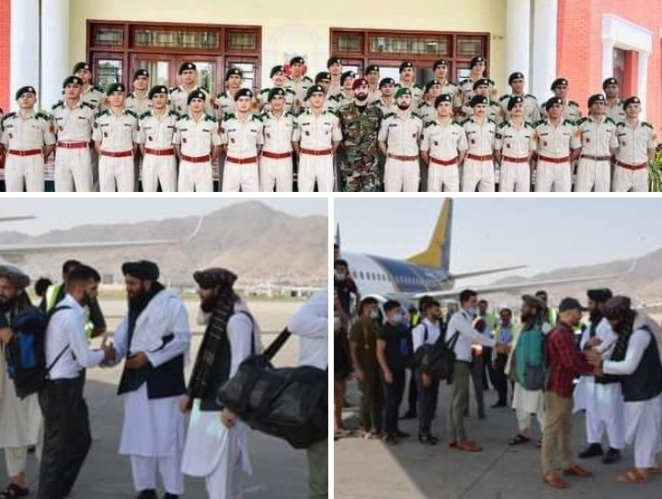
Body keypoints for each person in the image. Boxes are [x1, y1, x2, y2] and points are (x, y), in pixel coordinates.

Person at [112, 261, 191, 499]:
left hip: (164, 385)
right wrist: (110, 354)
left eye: (132, 283)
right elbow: (122, 340)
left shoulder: (172, 304)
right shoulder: (134, 307)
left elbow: (182, 340)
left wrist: (149, 357)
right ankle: (145, 489)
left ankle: (172, 492)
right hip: (136, 383)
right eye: (127, 283)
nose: (128, 288)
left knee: (168, 441)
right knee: (138, 439)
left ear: (147, 283)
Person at [181, 268, 262, 499]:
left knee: (222, 476)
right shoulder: (219, 317)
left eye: (204, 288)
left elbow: (240, 366)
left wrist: (231, 406)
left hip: (224, 410)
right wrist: (191, 394)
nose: (199, 292)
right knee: (214, 474)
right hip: (209, 406)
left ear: (218, 290)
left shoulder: (237, 320)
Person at [37, 265, 115, 499]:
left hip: (67, 388)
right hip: (60, 390)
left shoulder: (68, 311)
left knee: (80, 442)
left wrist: (97, 355)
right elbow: (85, 359)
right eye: (94, 288)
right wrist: (104, 354)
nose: (96, 293)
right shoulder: (72, 316)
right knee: (55, 452)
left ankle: (57, 492)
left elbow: (78, 356)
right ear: (81, 288)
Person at [588, 296, 662, 484]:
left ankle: (641, 470)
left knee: (644, 429)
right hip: (643, 388)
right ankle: (651, 462)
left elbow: (629, 366)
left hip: (644, 389)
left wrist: (603, 365)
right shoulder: (628, 328)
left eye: (613, 319)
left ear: (623, 316)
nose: (610, 323)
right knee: (648, 427)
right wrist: (597, 351)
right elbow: (611, 340)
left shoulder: (639, 335)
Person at [541, 297, 596, 490]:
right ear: (570, 312)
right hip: (557, 389)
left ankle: (567, 464)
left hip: (563, 388)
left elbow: (572, 356)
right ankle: (548, 471)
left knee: (565, 428)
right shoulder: (560, 334)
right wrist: (595, 368)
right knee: (551, 430)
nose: (581, 316)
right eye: (579, 312)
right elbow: (570, 362)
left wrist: (587, 352)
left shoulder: (565, 332)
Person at [0, 266, 42, 499]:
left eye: (5, 288)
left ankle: (52, 482)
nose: (0, 292)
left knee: (36, 431)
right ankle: (18, 483)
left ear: (18, 290)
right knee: (10, 434)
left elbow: (12, 341)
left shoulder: (29, 316)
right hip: (4, 385)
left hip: (24, 384)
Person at [575, 288, 624, 464]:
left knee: (611, 413)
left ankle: (615, 447)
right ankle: (595, 444)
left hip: (606, 374)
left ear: (601, 304)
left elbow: (612, 348)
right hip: (591, 375)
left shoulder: (611, 323)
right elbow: (584, 344)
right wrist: (588, 344)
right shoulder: (593, 323)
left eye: (591, 303)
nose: (588, 306)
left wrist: (594, 348)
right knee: (592, 411)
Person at [287, 289, 328, 499]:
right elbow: (295, 323)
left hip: (325, 387)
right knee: (321, 470)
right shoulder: (325, 296)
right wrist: (332, 325)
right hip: (316, 391)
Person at [446, 290, 495, 452]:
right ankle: (461, 439)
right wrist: (497, 344)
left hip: (463, 363)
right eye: (473, 301)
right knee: (458, 403)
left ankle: (453, 437)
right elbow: (476, 336)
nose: (476, 304)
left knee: (455, 401)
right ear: (464, 302)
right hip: (459, 364)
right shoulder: (459, 318)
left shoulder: (467, 318)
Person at [506, 295, 547, 447]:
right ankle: (523, 433)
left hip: (535, 375)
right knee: (520, 406)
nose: (522, 309)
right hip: (519, 374)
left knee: (540, 408)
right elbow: (515, 346)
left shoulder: (544, 327)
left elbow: (549, 352)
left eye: (525, 307)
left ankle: (546, 436)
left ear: (534, 310)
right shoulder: (520, 326)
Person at [0, 86, 55, 192]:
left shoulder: (43, 120)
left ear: (35, 100)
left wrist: (41, 156)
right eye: (22, 96)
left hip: (34, 159)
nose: (25, 99)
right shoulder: (8, 120)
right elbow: (4, 144)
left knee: (35, 192)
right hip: (13, 160)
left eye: (29, 96)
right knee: (12, 192)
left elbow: (50, 144)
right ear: (17, 100)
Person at [336, 78, 383, 192]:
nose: (361, 90)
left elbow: (381, 136)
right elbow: (337, 136)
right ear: (353, 90)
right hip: (350, 163)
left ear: (368, 90)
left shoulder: (377, 112)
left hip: (370, 164)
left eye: (364, 88)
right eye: (358, 88)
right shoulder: (343, 111)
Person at [292, 84, 342, 192]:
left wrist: (330, 153)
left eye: (320, 95)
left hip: (325, 158)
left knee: (326, 190)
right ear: (309, 99)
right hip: (307, 158)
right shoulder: (300, 118)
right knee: (305, 190)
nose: (317, 98)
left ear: (324, 98)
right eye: (314, 95)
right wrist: (301, 155)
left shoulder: (332, 118)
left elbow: (337, 140)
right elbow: (295, 141)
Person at [51, 76, 96, 192]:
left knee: (84, 188)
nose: (71, 89)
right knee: (62, 189)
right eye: (69, 86)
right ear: (64, 89)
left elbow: (96, 133)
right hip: (61, 151)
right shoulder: (56, 110)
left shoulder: (89, 110)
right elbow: (53, 132)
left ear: (81, 89)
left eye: (76, 87)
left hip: (81, 151)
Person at [93, 83, 139, 192]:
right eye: (113, 94)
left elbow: (135, 143)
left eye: (120, 94)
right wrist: (106, 155)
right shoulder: (100, 118)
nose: (116, 97)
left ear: (124, 96)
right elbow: (97, 143)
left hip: (125, 160)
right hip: (106, 160)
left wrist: (127, 156)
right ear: (108, 97)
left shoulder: (132, 118)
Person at [44, 259, 106, 340]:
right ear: (64, 276)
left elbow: (100, 327)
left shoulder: (88, 296)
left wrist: (82, 334)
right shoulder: (51, 292)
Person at [376, 300, 411, 444]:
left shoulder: (401, 328)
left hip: (400, 369)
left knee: (397, 401)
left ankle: (395, 429)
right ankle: (387, 433)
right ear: (388, 313)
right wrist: (386, 371)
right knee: (390, 403)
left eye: (399, 311)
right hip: (389, 371)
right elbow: (379, 352)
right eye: (396, 311)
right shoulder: (384, 330)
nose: (399, 314)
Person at [173, 90, 221, 192]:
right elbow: (176, 143)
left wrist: (210, 160)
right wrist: (181, 158)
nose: (196, 104)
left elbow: (217, 145)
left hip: (204, 164)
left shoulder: (211, 123)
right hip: (186, 164)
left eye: (199, 101)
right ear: (189, 104)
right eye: (193, 101)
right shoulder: (181, 122)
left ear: (204, 104)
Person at [349, 297, 383, 439]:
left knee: (378, 398)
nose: (375, 310)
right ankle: (365, 426)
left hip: (376, 367)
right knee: (367, 398)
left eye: (376, 307)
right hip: (365, 367)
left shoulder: (375, 324)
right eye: (372, 307)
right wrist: (357, 368)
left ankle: (377, 427)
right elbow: (352, 349)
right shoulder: (358, 325)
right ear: (364, 308)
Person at [420, 93, 467, 192]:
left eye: (446, 105)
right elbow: (423, 152)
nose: (444, 108)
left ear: (451, 108)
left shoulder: (458, 128)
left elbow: (463, 150)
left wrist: (457, 163)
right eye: (440, 105)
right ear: (436, 108)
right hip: (435, 166)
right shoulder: (429, 128)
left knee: (452, 196)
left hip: (452, 166)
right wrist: (432, 163)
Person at [378, 87, 423, 192]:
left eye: (407, 97)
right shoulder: (388, 119)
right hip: (393, 162)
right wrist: (388, 154)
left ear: (411, 100)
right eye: (401, 97)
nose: (404, 100)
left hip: (412, 163)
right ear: (396, 100)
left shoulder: (417, 121)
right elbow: (381, 140)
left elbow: (420, 142)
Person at [533, 97, 581, 193]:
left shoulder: (573, 127)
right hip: (544, 165)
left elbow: (577, 148)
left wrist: (567, 160)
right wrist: (540, 160)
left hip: (563, 165)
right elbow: (532, 148)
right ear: (547, 110)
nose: (555, 109)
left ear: (562, 109)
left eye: (557, 106)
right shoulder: (537, 127)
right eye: (552, 107)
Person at [411, 299, 442, 444]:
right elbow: (419, 353)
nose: (439, 312)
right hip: (424, 370)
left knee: (432, 402)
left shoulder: (437, 327)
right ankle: (423, 433)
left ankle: (428, 430)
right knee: (424, 402)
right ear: (428, 310)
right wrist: (425, 373)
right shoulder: (421, 329)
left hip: (435, 369)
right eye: (436, 310)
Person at [220, 88, 263, 192]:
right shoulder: (227, 122)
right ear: (236, 103)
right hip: (232, 165)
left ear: (251, 103)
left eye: (247, 100)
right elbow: (224, 144)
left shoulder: (258, 123)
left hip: (250, 166)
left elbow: (259, 145)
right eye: (241, 100)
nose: (244, 103)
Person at [137, 85, 179, 192]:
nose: (159, 100)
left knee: (170, 190)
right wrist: (148, 156)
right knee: (148, 190)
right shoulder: (144, 118)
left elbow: (178, 142)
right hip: (150, 158)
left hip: (168, 158)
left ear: (167, 99)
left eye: (162, 96)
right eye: (155, 97)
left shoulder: (175, 118)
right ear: (151, 100)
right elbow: (141, 142)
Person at [612, 96, 657, 192]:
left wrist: (646, 165)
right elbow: (613, 149)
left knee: (640, 200)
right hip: (622, 170)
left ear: (640, 109)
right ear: (624, 110)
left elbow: (651, 150)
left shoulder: (648, 129)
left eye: (636, 106)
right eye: (629, 107)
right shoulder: (617, 128)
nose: (633, 109)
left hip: (641, 172)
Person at [574, 94, 618, 192]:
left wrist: (604, 156)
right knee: (581, 192)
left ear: (605, 107)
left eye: (602, 103)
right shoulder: (581, 124)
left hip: (603, 163)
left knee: (602, 193)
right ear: (590, 107)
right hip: (586, 161)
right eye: (596, 103)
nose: (599, 105)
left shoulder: (611, 124)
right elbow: (576, 144)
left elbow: (613, 146)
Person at [494, 96, 536, 192]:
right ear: (509, 110)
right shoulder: (502, 127)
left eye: (520, 106)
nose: (518, 109)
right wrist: (504, 163)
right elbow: (497, 150)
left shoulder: (531, 128)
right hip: (508, 165)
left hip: (523, 166)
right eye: (514, 106)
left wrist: (524, 161)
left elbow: (531, 150)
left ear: (524, 109)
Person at [259, 87, 295, 192]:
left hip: (285, 160)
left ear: (284, 100)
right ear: (269, 101)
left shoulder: (292, 119)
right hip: (267, 160)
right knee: (265, 192)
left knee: (285, 193)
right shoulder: (262, 119)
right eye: (274, 98)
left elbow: (295, 140)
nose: (277, 101)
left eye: (280, 98)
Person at [460, 95, 496, 192]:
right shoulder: (465, 124)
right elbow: (462, 146)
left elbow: (493, 145)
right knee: (467, 191)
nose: (481, 109)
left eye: (484, 106)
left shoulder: (492, 125)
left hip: (487, 162)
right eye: (478, 106)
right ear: (473, 107)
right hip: (471, 162)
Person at [334, 302, 351, 438]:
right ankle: (337, 426)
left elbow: (347, 320)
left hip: (342, 369)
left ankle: (338, 424)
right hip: (333, 370)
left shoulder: (341, 332)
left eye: (337, 316)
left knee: (339, 399)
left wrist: (338, 305)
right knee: (336, 400)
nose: (337, 319)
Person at [492, 307, 513, 407]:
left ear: (510, 316)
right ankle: (502, 400)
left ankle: (515, 402)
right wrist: (493, 358)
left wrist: (508, 345)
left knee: (513, 380)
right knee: (500, 380)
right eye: (503, 315)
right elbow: (495, 343)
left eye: (507, 315)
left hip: (511, 356)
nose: (505, 317)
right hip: (500, 356)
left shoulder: (515, 328)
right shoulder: (498, 328)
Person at [333, 259, 360, 325]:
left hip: (344, 314)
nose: (340, 271)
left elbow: (358, 295)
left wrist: (356, 311)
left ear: (346, 271)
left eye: (342, 269)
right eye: (338, 269)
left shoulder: (349, 282)